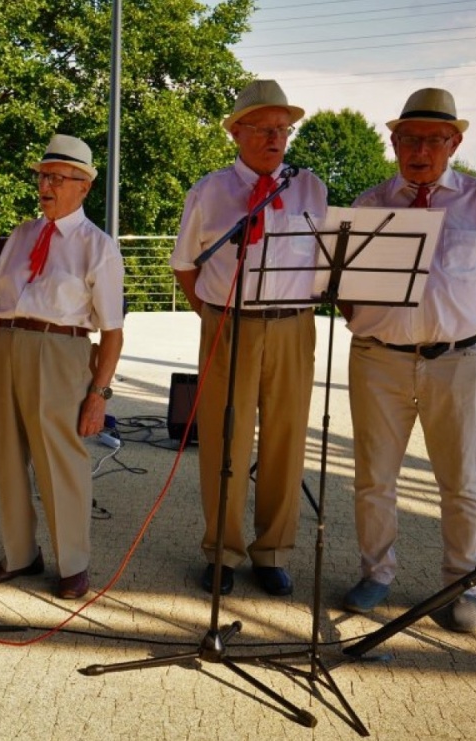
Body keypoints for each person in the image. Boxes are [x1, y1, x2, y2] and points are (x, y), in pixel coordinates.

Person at [340, 88, 476, 632]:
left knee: (461, 481)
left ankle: (462, 585)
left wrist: (455, 329)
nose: (418, 149)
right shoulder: (369, 204)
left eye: (432, 138)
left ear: (455, 142)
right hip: (378, 360)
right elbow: (344, 288)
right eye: (408, 138)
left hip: (458, 361)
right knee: (374, 479)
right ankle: (376, 572)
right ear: (393, 141)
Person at [170, 80, 327, 597]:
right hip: (228, 325)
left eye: (283, 128)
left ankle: (274, 551)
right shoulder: (209, 190)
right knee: (223, 438)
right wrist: (213, 315)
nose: (275, 138)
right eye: (263, 128)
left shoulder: (312, 189)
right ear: (236, 132)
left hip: (293, 326)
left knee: (285, 439)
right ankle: (222, 551)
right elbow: (184, 264)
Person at [0, 134, 124, 600]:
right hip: (6, 347)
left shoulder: (97, 246)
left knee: (60, 460)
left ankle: (73, 563)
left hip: (62, 352)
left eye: (57, 178)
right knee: (7, 458)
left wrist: (98, 395)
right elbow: (0, 308)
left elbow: (113, 332)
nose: (46, 185)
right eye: (43, 176)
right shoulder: (20, 235)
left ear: (83, 186)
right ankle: (20, 554)